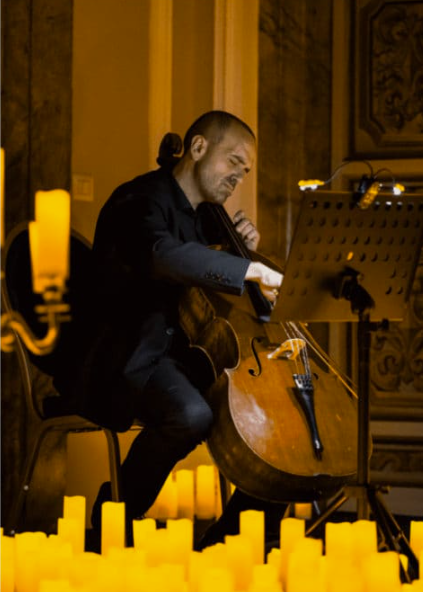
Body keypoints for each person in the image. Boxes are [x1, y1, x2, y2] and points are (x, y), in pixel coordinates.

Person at [54, 110, 287, 550]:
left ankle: (235, 535)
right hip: (125, 354)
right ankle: (112, 518)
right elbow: (162, 254)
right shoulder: (137, 201)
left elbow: (209, 300)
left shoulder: (205, 218)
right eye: (233, 160)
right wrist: (245, 266)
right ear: (198, 148)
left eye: (246, 170)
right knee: (191, 414)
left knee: (272, 419)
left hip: (179, 356)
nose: (240, 175)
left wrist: (240, 250)